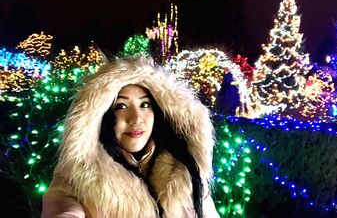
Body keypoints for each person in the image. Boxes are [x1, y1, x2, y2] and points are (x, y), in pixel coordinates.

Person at [41, 55, 220, 218]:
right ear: (103, 116)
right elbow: (63, 210)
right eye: (121, 106)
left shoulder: (185, 171)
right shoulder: (76, 176)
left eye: (144, 104)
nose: (135, 119)